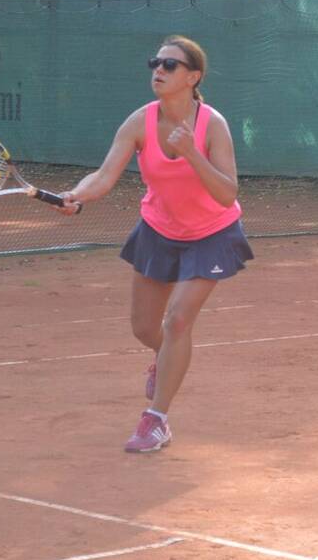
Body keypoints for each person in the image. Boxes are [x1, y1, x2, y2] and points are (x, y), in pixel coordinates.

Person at [54, 35, 253, 453]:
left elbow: (227, 194)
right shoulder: (138, 122)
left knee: (177, 321)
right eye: (155, 63)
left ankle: (156, 420)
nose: (158, 70)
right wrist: (77, 194)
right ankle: (165, 360)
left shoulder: (212, 124)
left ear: (193, 77)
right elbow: (103, 176)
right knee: (145, 328)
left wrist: (192, 154)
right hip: (159, 230)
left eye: (169, 65)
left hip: (212, 233)